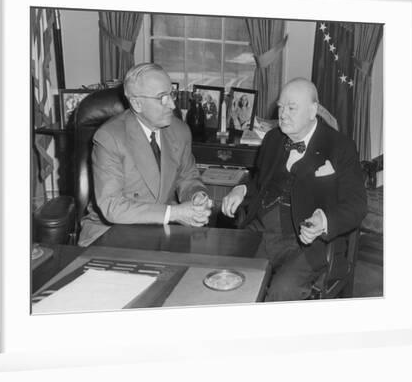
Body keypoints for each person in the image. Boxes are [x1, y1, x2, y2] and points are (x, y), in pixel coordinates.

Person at [221, 78, 367, 301]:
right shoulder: (272, 139)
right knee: (226, 274)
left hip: (306, 243)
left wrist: (325, 221)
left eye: (291, 108)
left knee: (282, 290)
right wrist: (241, 189)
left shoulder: (340, 146)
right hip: (260, 231)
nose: (283, 114)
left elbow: (357, 205)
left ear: (312, 111)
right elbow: (259, 183)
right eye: (280, 107)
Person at [79, 63, 213, 246]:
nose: (172, 105)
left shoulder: (180, 131)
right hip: (110, 232)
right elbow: (112, 206)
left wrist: (197, 196)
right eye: (161, 98)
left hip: (163, 231)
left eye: (171, 94)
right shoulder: (110, 137)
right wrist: (175, 213)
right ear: (136, 103)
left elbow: (188, 177)